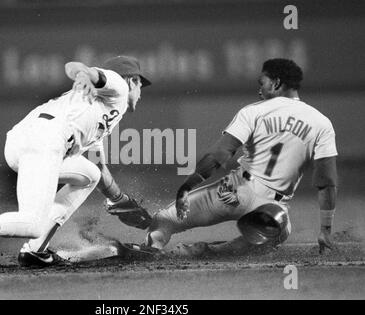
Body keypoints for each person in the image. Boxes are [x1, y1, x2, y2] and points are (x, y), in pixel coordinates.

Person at [0, 55, 151, 274]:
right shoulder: (119, 86)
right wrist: (83, 74)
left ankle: (35, 251)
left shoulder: (98, 112)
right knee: (32, 224)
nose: (141, 91)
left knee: (89, 174)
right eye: (140, 83)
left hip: (29, 141)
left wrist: (119, 200)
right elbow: (78, 67)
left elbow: (98, 168)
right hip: (44, 140)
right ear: (131, 81)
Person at [143, 58, 338, 257]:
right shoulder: (321, 123)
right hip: (271, 211)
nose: (259, 90)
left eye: (262, 83)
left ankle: (151, 253)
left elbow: (219, 155)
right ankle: (211, 252)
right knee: (278, 233)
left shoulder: (254, 111)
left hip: (234, 191)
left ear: (276, 83)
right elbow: (327, 182)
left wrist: (186, 187)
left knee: (164, 221)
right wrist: (326, 230)